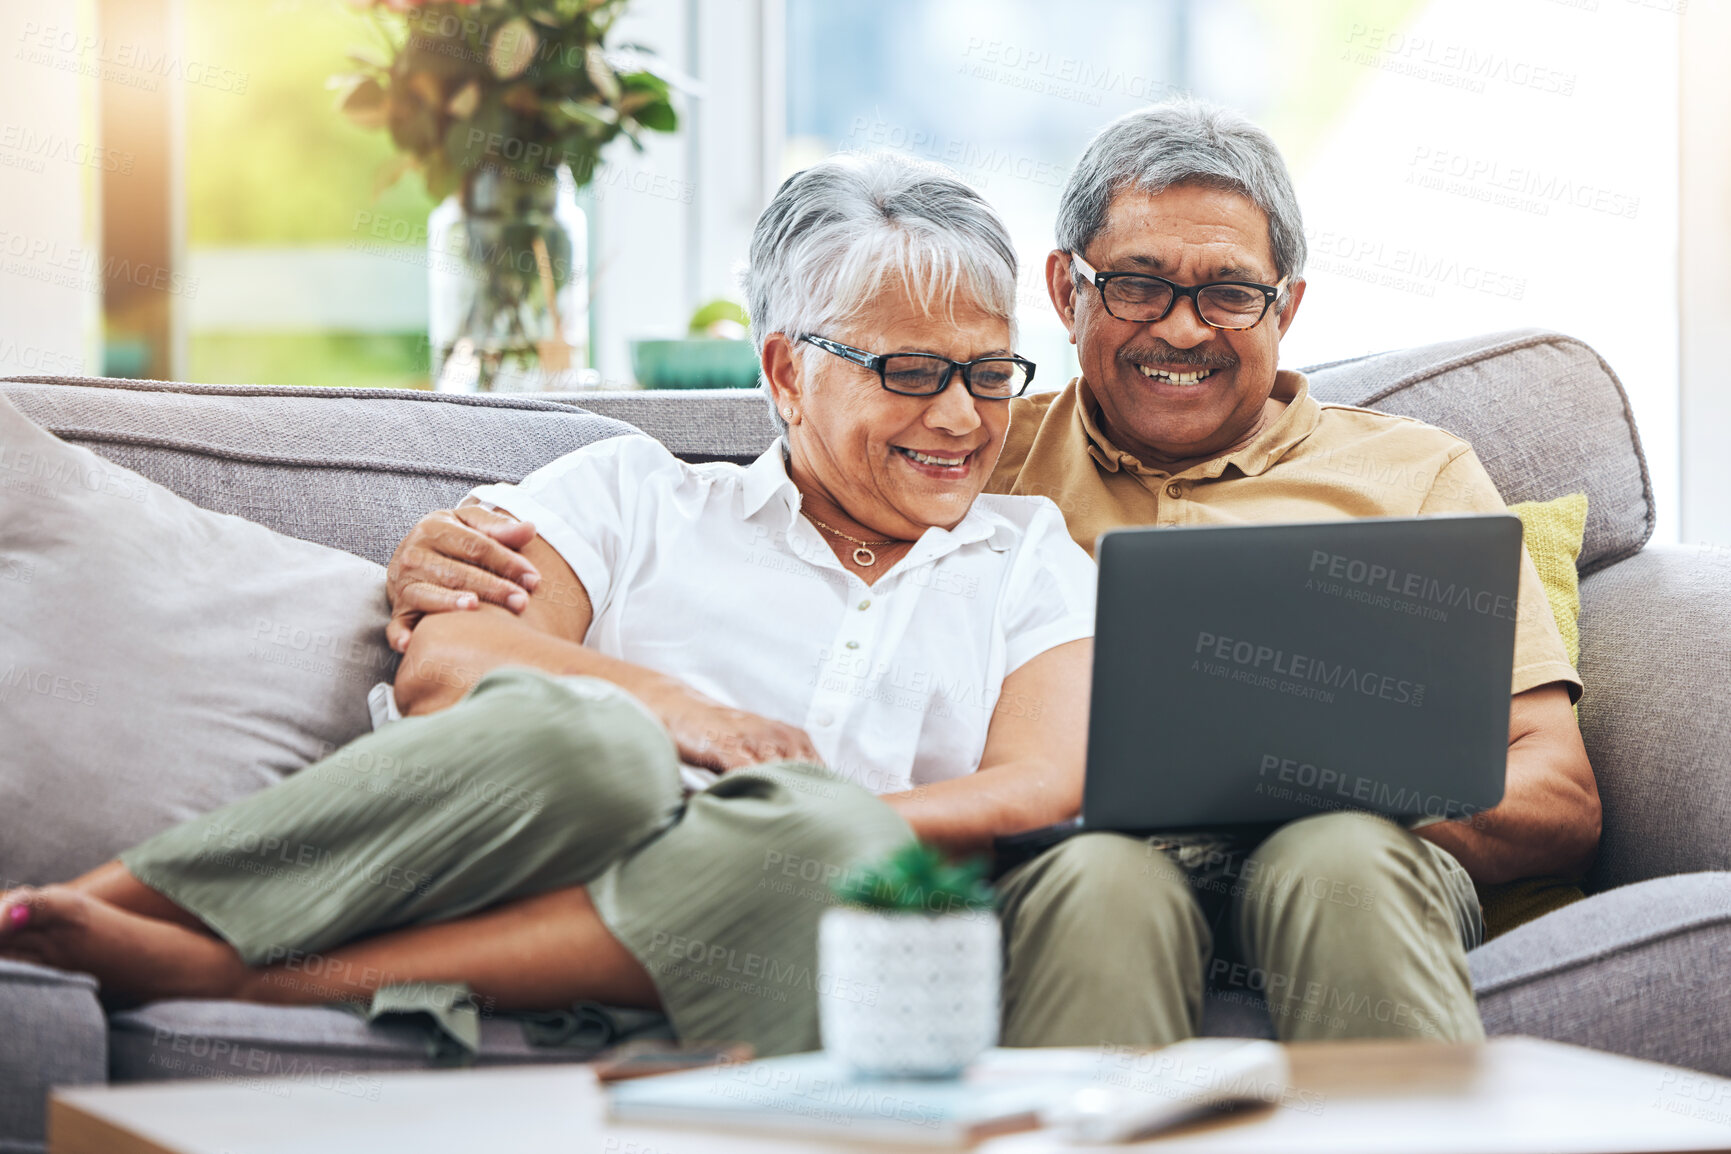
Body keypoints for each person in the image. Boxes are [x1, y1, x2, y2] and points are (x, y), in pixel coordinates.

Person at [389, 101, 1600, 1048]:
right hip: (1082, 857)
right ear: (1067, 292)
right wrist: (439, 548)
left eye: (1227, 291)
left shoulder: (1419, 471)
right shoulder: (969, 444)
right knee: (1099, 877)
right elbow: (801, 454)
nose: (1182, 327)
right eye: (1137, 285)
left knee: (1332, 857)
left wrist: (1324, 780)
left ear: (1287, 305)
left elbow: (1558, 796)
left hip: (1357, 858)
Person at [0, 151, 1096, 1058]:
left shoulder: (1028, 556)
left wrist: (796, 828)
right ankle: (70, 910)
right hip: (543, 845)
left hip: (770, 921)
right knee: (594, 741)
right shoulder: (628, 490)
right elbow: (449, 668)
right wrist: (684, 715)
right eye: (911, 371)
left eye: (989, 372)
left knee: (822, 834)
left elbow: (1036, 783)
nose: (960, 415)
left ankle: (243, 970)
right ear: (787, 370)